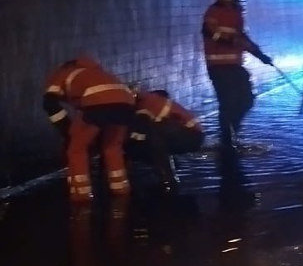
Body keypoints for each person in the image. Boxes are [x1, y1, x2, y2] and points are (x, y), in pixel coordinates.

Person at [42, 56, 136, 202]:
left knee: (76, 149)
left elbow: (49, 103)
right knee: (112, 147)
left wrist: (66, 130)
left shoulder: (62, 74)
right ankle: (121, 190)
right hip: (127, 103)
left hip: (97, 103)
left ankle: (81, 196)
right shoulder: (98, 73)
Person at [203, 0, 273, 144]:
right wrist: (231, 41)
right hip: (219, 67)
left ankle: (231, 134)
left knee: (246, 99)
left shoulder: (235, 12)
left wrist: (260, 55)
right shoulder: (215, 11)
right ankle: (227, 140)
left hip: (233, 66)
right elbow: (208, 31)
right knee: (229, 102)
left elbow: (242, 38)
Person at [129, 89, 205, 193]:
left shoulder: (145, 105)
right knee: (149, 137)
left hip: (191, 136)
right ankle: (170, 165)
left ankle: (167, 179)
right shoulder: (151, 100)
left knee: (150, 136)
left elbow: (141, 131)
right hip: (193, 135)